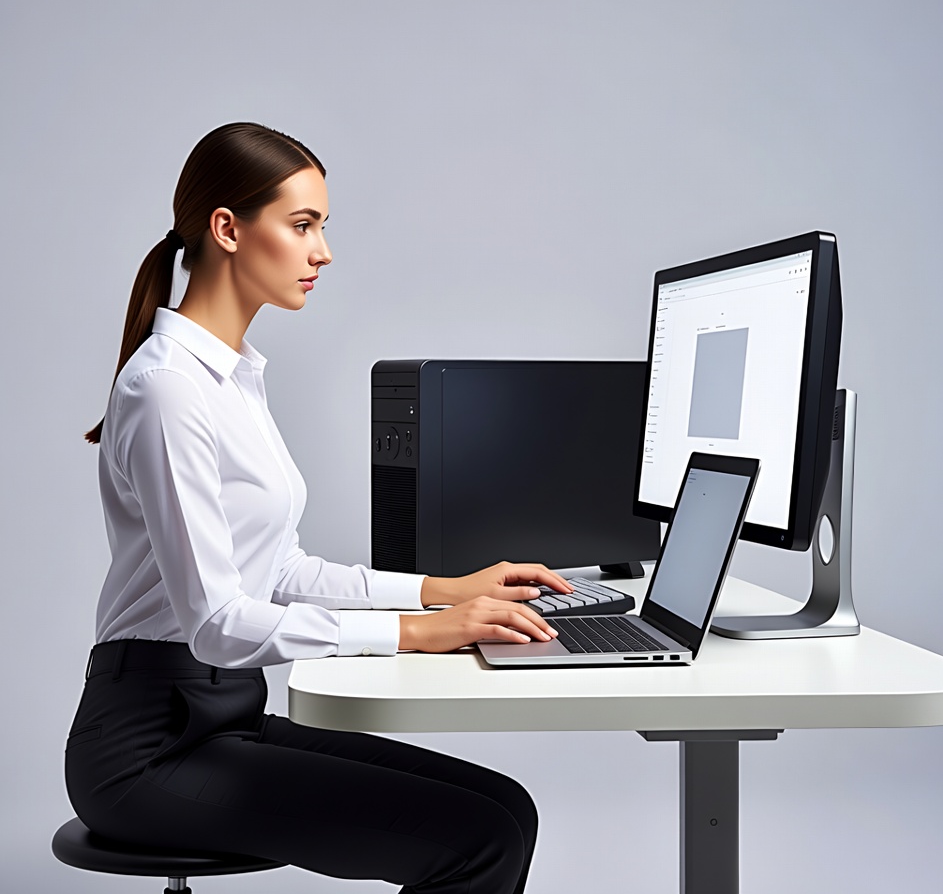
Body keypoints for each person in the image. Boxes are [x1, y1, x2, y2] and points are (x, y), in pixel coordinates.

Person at [66, 122, 574, 894]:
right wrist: (418, 634)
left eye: (322, 227)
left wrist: (446, 590)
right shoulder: (168, 387)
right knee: (476, 840)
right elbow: (215, 622)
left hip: (218, 716)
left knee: (506, 812)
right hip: (148, 749)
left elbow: (283, 571)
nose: (323, 251)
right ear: (229, 229)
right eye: (302, 225)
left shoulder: (232, 380)